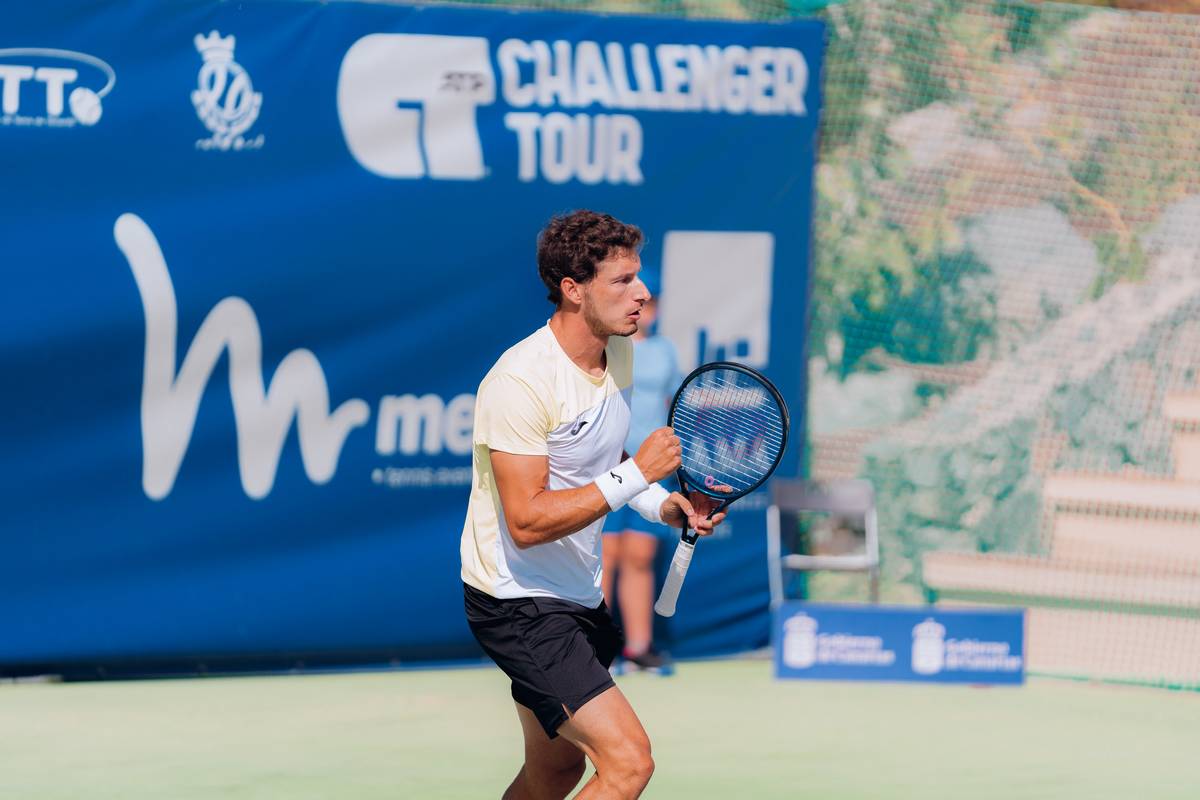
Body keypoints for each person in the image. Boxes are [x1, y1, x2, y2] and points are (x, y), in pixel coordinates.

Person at [460, 210, 727, 800]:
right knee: (629, 764)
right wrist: (638, 472)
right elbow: (527, 522)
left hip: (579, 595)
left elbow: (606, 462)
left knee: (554, 774)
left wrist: (664, 506)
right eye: (623, 281)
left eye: (639, 278)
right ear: (573, 290)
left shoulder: (621, 355)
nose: (643, 293)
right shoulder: (520, 381)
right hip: (518, 602)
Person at [600, 271, 681, 674]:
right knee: (606, 555)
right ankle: (599, 649)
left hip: (651, 469)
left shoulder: (665, 351)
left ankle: (638, 647)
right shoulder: (608, 347)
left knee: (640, 555)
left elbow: (673, 404)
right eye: (638, 299)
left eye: (652, 301)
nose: (645, 307)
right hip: (609, 464)